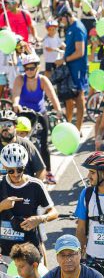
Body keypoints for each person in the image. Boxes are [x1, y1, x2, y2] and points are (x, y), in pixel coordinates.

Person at [11, 53, 63, 182]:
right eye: (26, 68)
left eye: (32, 68)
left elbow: (52, 96)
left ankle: (48, 172)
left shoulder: (43, 80)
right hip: (24, 115)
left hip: (40, 114)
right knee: (20, 143)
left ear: (37, 67)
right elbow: (16, 95)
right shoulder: (20, 79)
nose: (29, 71)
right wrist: (16, 104)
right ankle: (18, 171)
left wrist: (58, 110)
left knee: (44, 144)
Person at [0, 143, 58, 257]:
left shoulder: (35, 185)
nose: (16, 174)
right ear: (4, 167)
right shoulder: (1, 184)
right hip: (5, 253)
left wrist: (40, 219)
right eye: (11, 171)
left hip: (29, 252)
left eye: (19, 169)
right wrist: (2, 206)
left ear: (24, 166)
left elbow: (54, 212)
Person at [57, 4, 88, 130]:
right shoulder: (71, 27)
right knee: (68, 97)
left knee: (79, 97)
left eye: (61, 18)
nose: (60, 21)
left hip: (78, 68)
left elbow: (80, 52)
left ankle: (78, 128)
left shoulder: (78, 28)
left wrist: (63, 60)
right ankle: (68, 126)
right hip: (70, 68)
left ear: (67, 15)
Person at [0, 109, 45, 180]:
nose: (5, 128)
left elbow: (40, 170)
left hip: (25, 185)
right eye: (1, 125)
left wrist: (35, 186)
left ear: (15, 126)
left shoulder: (26, 145)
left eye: (8, 125)